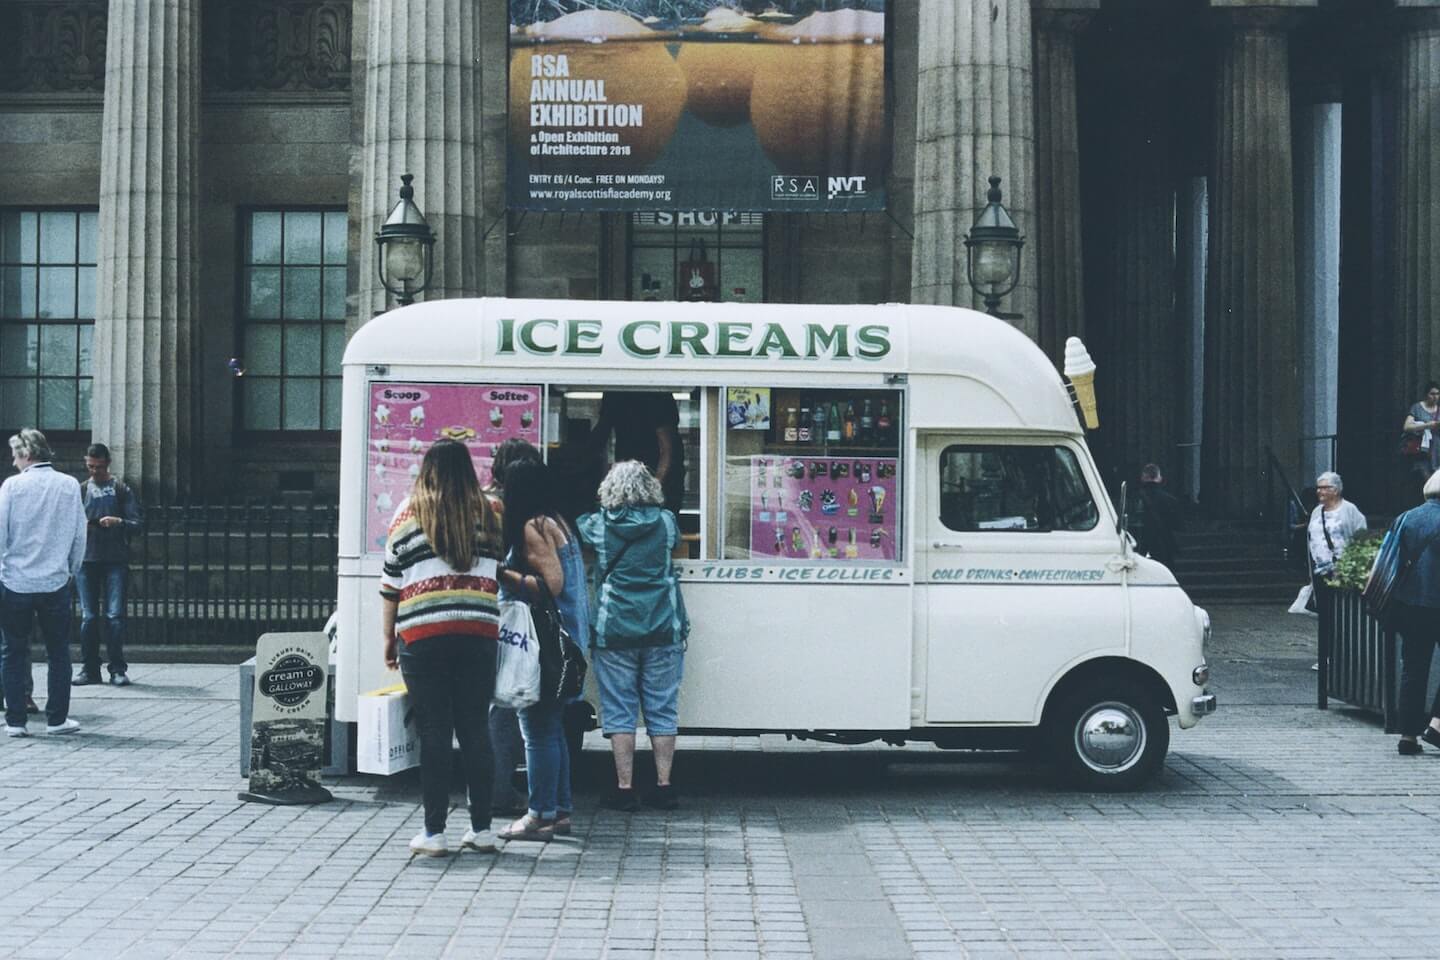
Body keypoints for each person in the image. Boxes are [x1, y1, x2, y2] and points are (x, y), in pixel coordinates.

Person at [378, 439, 504, 856]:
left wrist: (387, 638)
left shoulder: (407, 514)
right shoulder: (489, 513)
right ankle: (482, 828)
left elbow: (391, 585)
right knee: (475, 728)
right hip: (478, 632)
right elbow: (499, 567)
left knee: (435, 730)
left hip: (423, 634)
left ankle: (434, 833)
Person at [577, 460, 689, 811]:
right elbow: (677, 548)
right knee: (662, 707)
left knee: (619, 709)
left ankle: (624, 788)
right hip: (662, 626)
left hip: (616, 630)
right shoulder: (667, 522)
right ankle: (664, 785)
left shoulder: (597, 525)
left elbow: (578, 531)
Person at [496, 460, 591, 841]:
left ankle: (538, 815)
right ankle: (560, 810)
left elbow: (551, 584)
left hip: (543, 646)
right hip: (563, 640)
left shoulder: (533, 527)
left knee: (536, 731)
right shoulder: (556, 521)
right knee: (552, 730)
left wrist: (502, 573)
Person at [0, 429, 87, 738]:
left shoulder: (12, 487)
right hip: (54, 581)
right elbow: (80, 534)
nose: (13, 462)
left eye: (15, 455)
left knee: (13, 651)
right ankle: (57, 719)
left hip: (16, 582)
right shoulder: (68, 486)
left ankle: (16, 721)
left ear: (27, 454)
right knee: (58, 652)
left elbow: (1, 533)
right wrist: (70, 569)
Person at [485, 437, 542, 818]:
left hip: (487, 612)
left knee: (496, 704)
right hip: (510, 613)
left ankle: (495, 787)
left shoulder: (483, 503)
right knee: (505, 707)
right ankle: (498, 791)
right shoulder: (512, 508)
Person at [73, 443, 143, 687]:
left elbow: (137, 523)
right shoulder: (82, 490)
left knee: (114, 616)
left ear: (107, 464)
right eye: (91, 467)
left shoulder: (120, 489)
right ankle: (90, 668)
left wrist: (119, 521)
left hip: (115, 560)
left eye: (99, 467)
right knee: (89, 617)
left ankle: (117, 668)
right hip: (87, 559)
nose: (94, 472)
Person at [1386, 469, 1440, 755]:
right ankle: (1437, 725)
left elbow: (1387, 561)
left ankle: (1407, 736)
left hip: (1411, 606)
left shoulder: (1406, 518)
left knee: (1414, 669)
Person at [1308, 471, 1366, 672]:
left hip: (1343, 572)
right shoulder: (1317, 512)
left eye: (1324, 487)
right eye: (1319, 487)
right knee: (1325, 617)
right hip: (1321, 572)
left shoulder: (1350, 511)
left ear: (1336, 489)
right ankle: (1325, 656)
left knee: (1344, 617)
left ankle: (1346, 657)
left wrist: (1353, 568)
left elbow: (1360, 541)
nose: (1320, 491)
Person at [596, 392, 685, 515]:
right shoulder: (614, 393)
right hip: (628, 477)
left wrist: (655, 487)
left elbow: (667, 449)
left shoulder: (658, 396)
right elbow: (601, 437)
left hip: (655, 477)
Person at [1132, 463, 1181, 566]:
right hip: (1164, 545)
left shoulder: (1134, 499)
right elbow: (1178, 525)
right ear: (1159, 478)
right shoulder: (1171, 500)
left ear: (1143, 478)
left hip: (1140, 545)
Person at [1402, 382, 1440, 487]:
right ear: (1426, 394)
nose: (1435, 397)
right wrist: (1426, 425)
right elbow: (1407, 427)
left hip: (1437, 451)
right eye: (1432, 394)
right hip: (1422, 452)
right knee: (1428, 485)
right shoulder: (1417, 408)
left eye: (1437, 394)